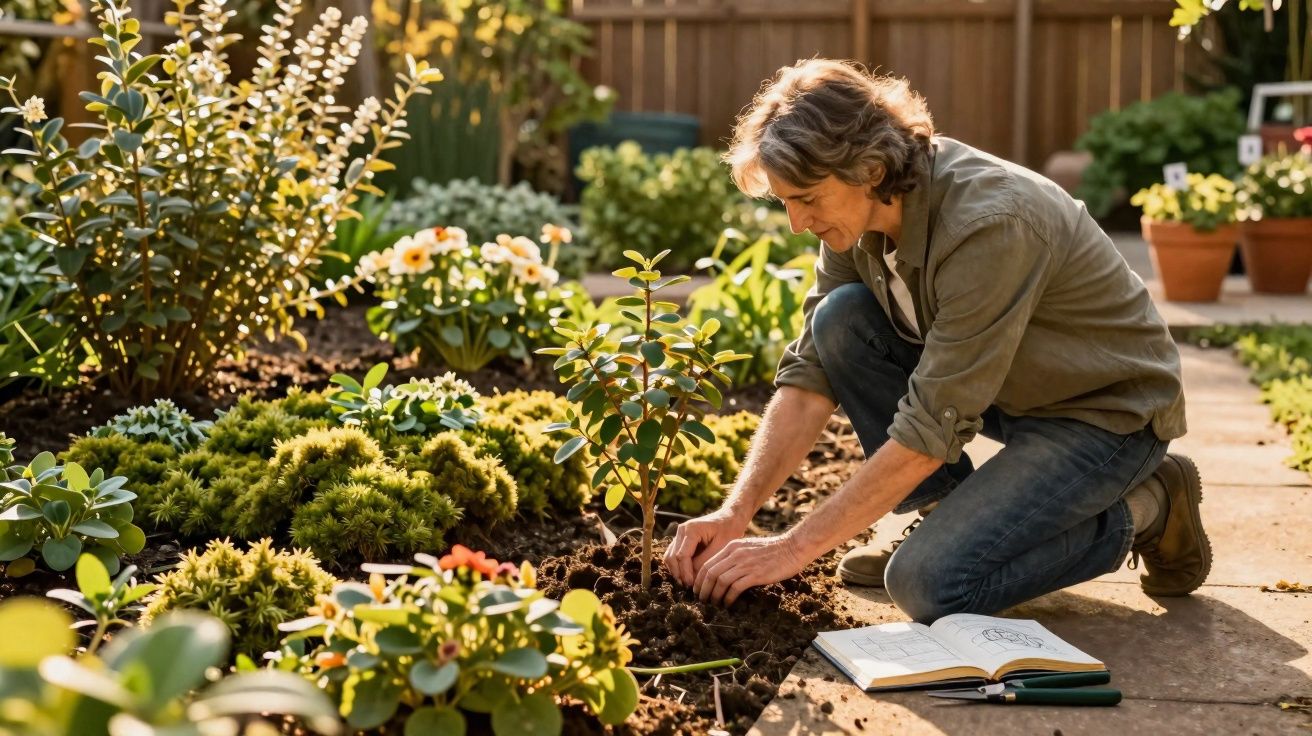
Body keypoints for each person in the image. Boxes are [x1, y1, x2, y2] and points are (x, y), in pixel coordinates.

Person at [662, 59, 1211, 622]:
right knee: (839, 319)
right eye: (786, 202)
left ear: (869, 169)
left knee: (930, 585)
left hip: (1105, 413)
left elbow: (929, 431)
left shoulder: (990, 223)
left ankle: (1150, 505)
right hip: (1010, 390)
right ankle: (947, 516)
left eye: (807, 199)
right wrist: (736, 513)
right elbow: (809, 377)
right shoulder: (855, 217)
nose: (797, 223)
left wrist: (793, 549)